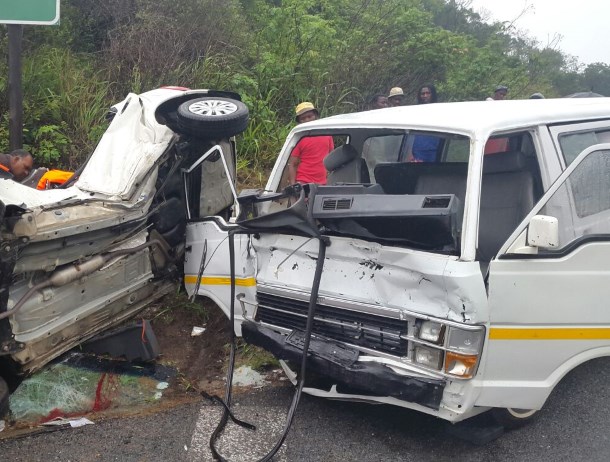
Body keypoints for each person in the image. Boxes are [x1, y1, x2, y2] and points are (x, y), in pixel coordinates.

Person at [288, 102, 334, 185]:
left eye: (309, 116)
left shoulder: (327, 135)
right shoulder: (300, 137)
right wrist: (293, 186)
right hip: (303, 182)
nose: (307, 120)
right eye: (303, 118)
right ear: (299, 121)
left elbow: (332, 158)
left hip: (323, 183)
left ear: (315, 116)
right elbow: (293, 164)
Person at [409, 84, 440, 162]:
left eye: (428, 93)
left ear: (432, 94)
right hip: (419, 149)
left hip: (435, 148)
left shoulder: (439, 110)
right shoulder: (415, 111)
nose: (425, 96)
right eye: (423, 94)